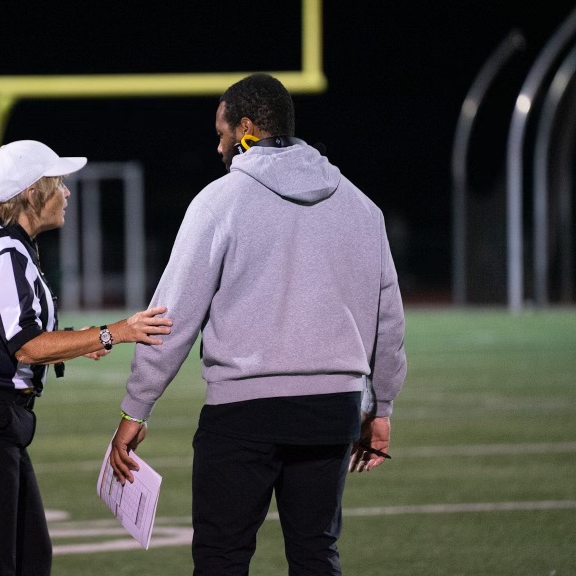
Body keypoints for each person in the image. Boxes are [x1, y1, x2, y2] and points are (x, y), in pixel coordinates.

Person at [108, 74, 407, 576]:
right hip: (331, 412)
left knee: (222, 559)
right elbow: (389, 322)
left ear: (246, 128)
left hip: (245, 413)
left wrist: (136, 409)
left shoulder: (219, 201)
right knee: (316, 556)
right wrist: (382, 407)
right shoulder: (362, 207)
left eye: (223, 132)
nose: (219, 145)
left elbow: (170, 318)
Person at [0, 139, 172, 576]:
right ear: (33, 193)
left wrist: (84, 341)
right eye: (59, 184)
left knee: (30, 556)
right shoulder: (2, 251)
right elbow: (27, 345)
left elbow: (15, 335)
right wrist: (116, 332)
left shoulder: (5, 242)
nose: (67, 193)